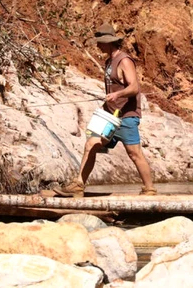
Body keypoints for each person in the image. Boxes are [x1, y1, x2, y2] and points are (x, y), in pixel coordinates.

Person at [55, 24, 156, 197]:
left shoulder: (124, 60)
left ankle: (150, 189)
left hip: (126, 116)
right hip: (111, 117)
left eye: (100, 42)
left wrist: (118, 94)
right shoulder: (109, 61)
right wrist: (106, 106)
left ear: (108, 42)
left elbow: (134, 88)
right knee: (91, 145)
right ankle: (79, 184)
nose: (97, 45)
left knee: (134, 153)